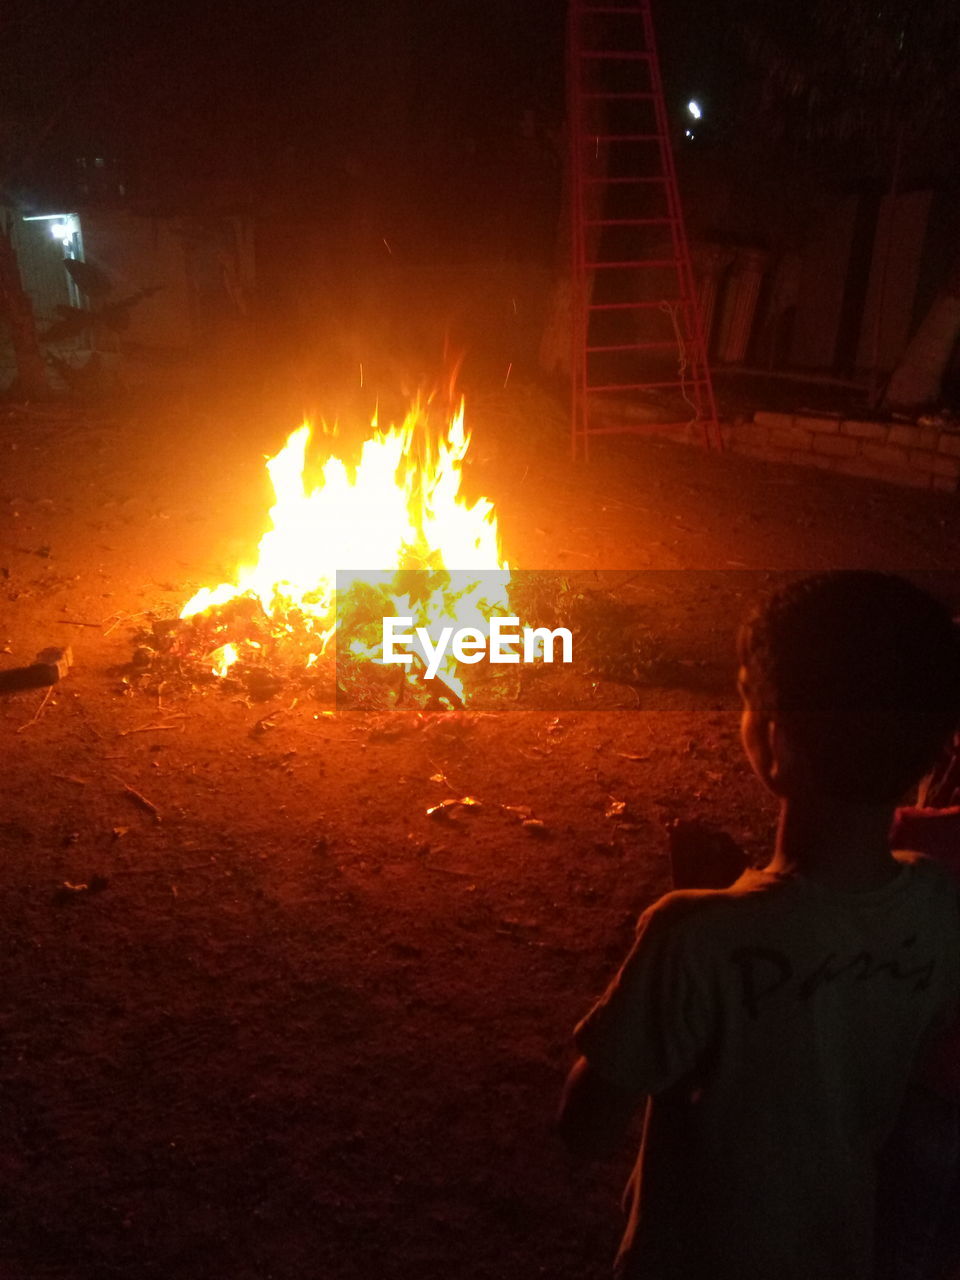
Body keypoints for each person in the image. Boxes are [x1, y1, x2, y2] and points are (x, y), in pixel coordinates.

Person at [558, 571, 960, 1280]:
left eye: (746, 699)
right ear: (935, 752)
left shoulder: (692, 936)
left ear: (776, 744)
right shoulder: (939, 909)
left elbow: (585, 1127)